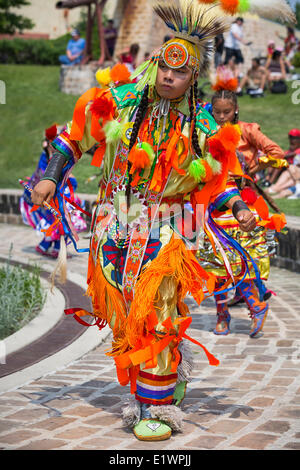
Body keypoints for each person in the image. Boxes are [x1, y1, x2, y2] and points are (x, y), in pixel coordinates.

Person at [30, 0, 293, 443]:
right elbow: (75, 139)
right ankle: (164, 378)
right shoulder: (121, 102)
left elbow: (218, 176)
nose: (169, 77)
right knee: (127, 318)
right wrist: (51, 178)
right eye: (164, 67)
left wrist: (242, 208)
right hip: (114, 229)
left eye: (181, 71)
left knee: (159, 313)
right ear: (155, 63)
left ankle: (157, 406)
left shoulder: (203, 124)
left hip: (170, 230)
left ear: (194, 78)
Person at [198, 87, 286, 337]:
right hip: (214, 203)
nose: (223, 116)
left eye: (227, 112)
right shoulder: (206, 131)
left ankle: (255, 305)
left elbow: (276, 152)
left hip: (242, 202)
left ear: (235, 109)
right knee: (214, 260)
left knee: (240, 260)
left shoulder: (248, 130)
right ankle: (222, 315)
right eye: (218, 112)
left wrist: (255, 166)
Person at [19, 125, 87, 258]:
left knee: (60, 223)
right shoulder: (45, 159)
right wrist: (71, 182)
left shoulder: (59, 157)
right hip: (51, 198)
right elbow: (50, 178)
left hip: (59, 197)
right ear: (50, 143)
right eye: (57, 141)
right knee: (60, 222)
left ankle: (47, 246)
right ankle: (55, 248)